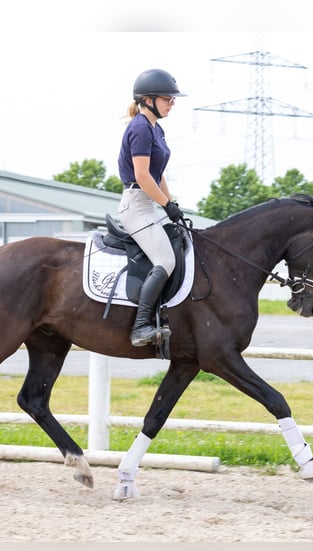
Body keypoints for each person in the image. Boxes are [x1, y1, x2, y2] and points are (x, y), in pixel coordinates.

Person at [117, 68, 186, 347]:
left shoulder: (156, 128)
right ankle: (141, 326)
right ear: (148, 100)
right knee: (166, 261)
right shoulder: (140, 128)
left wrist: (171, 204)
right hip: (136, 204)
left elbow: (159, 174)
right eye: (167, 98)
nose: (172, 103)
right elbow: (143, 176)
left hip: (149, 203)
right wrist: (165, 204)